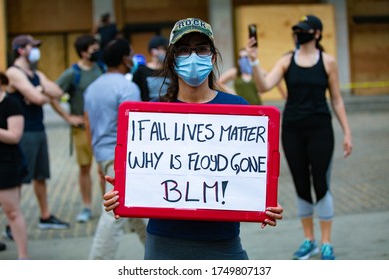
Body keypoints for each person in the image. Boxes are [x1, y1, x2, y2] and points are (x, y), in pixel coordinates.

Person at [103, 17, 283, 260]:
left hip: (222, 242)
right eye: (184, 50)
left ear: (212, 56)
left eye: (201, 48)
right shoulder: (150, 115)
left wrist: (265, 202)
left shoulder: (240, 111)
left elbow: (252, 175)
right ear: (172, 58)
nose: (193, 56)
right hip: (164, 243)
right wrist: (125, 192)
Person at [250, 15, 353, 260]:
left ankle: (326, 242)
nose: (299, 34)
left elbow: (337, 99)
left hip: (320, 129)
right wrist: (254, 62)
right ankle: (309, 241)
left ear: (317, 33)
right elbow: (264, 86)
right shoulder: (287, 60)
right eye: (296, 30)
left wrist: (347, 132)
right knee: (300, 185)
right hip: (293, 130)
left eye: (304, 30)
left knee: (321, 183)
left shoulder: (328, 62)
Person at [84, 38, 145, 259]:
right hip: (121, 158)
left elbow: (88, 123)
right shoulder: (127, 87)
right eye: (130, 54)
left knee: (136, 210)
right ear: (124, 59)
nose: (133, 58)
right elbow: (133, 127)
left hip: (103, 155)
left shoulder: (92, 88)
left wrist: (96, 158)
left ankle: (159, 254)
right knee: (113, 213)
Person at [6, 34, 69, 231]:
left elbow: (58, 92)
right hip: (23, 132)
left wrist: (40, 88)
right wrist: (41, 91)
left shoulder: (35, 74)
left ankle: (45, 216)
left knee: (40, 176)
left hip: (39, 129)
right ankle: (11, 223)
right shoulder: (14, 73)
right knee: (19, 179)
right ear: (20, 50)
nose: (35, 50)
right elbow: (38, 99)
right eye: (31, 47)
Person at [52, 34, 104, 223]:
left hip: (101, 128)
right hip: (81, 128)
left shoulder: (102, 68)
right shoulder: (72, 73)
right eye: (93, 48)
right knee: (85, 168)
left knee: (104, 169)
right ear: (83, 51)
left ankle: (108, 207)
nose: (97, 51)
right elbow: (53, 95)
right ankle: (86, 206)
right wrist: (67, 117)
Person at [0, 72, 28, 259]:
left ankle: (23, 257)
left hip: (5, 163)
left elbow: (14, 136)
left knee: (12, 211)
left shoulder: (11, 104)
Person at [218, 47, 287, 104]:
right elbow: (218, 82)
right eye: (241, 57)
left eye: (246, 57)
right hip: (240, 106)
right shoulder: (235, 72)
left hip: (256, 106)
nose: (244, 59)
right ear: (238, 61)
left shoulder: (256, 71)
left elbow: (275, 80)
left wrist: (284, 95)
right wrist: (231, 92)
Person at [132, 35, 169, 101]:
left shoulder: (171, 71)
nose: (167, 52)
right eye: (164, 49)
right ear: (153, 51)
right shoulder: (141, 72)